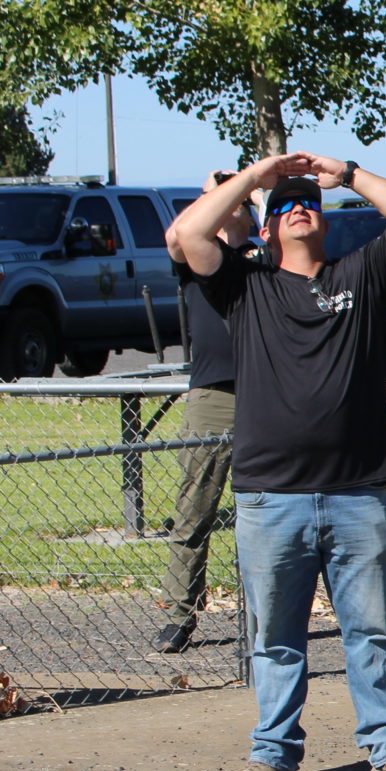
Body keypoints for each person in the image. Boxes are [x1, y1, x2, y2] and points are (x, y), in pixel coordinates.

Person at [174, 153, 386, 771]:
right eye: (285, 206)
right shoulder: (244, 286)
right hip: (270, 498)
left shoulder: (360, 275)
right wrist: (254, 178)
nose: (298, 209)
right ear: (266, 228)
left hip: (356, 493)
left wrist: (347, 175)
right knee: (276, 639)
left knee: (370, 632)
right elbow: (188, 233)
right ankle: (273, 753)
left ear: (324, 222)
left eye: (308, 204)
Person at [154, 170, 261, 655]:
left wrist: (255, 193)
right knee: (194, 510)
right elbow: (176, 235)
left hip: (267, 394)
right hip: (212, 397)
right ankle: (180, 614)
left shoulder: (265, 257)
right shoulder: (198, 255)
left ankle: (265, 619)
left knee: (269, 513)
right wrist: (216, 191)